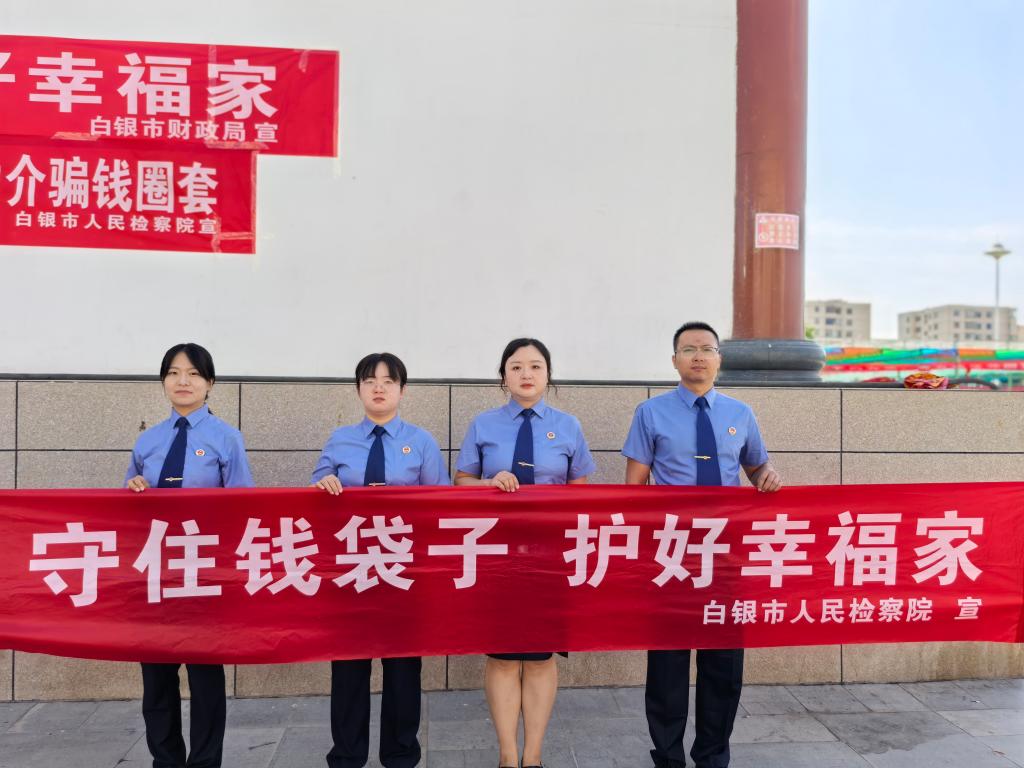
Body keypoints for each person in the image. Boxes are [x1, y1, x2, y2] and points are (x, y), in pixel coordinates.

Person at [623, 321, 782, 768]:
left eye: (707, 349)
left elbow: (757, 468)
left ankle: (713, 756)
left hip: (726, 553)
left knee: (723, 662)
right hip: (672, 552)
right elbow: (633, 489)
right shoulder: (650, 413)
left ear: (719, 359)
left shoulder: (740, 414)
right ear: (674, 360)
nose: (698, 356)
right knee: (668, 663)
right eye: (688, 349)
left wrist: (767, 477)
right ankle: (668, 757)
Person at [454, 337, 596, 768]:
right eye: (516, 367)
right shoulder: (483, 424)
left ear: (548, 375)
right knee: (501, 657)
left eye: (535, 366)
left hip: (549, 556)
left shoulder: (568, 426)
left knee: (539, 657)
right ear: (503, 376)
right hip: (495, 552)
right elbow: (460, 482)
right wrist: (487, 483)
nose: (526, 374)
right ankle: (507, 756)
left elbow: (581, 491)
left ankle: (533, 757)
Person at [311, 352, 448, 768]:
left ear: (402, 390)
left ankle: (401, 755)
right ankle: (347, 756)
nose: (379, 388)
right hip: (351, 569)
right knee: (348, 670)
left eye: (388, 381)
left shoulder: (421, 442)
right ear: (358, 389)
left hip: (403, 570)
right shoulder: (340, 440)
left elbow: (441, 503)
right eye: (370, 380)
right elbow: (313, 492)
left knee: (403, 670)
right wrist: (324, 483)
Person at [125, 342, 254, 768]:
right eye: (174, 373)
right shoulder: (148, 441)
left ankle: (204, 762)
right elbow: (123, 510)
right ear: (163, 381)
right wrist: (134, 489)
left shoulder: (226, 438)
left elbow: (243, 506)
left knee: (204, 679)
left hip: (203, 572)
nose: (183, 381)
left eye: (194, 373)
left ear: (209, 383)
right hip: (155, 573)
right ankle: (165, 760)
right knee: (156, 680)